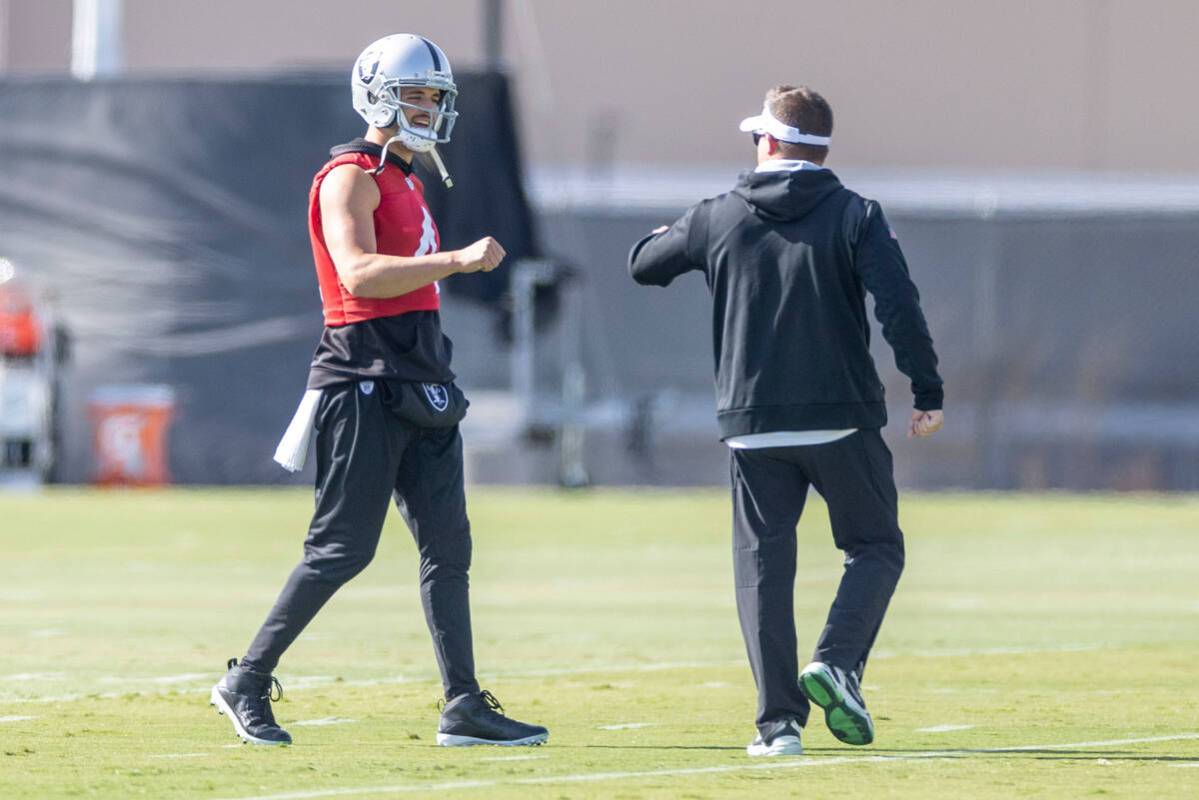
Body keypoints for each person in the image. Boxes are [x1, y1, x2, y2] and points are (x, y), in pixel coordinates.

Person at [210, 34, 547, 749]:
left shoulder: (410, 178)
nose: (427, 109)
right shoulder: (349, 175)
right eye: (416, 95)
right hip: (361, 380)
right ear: (379, 97)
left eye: (434, 97)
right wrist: (452, 260)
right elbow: (359, 274)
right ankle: (245, 678)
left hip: (419, 378)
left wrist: (441, 270)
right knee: (342, 549)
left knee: (448, 549)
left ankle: (462, 703)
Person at [629, 85, 943, 756]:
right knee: (875, 546)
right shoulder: (856, 214)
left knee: (764, 570)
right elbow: (899, 307)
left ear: (768, 142)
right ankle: (836, 662)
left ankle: (777, 727)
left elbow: (643, 266)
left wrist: (676, 232)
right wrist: (926, 388)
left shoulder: (718, 214)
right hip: (840, 419)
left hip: (752, 426)